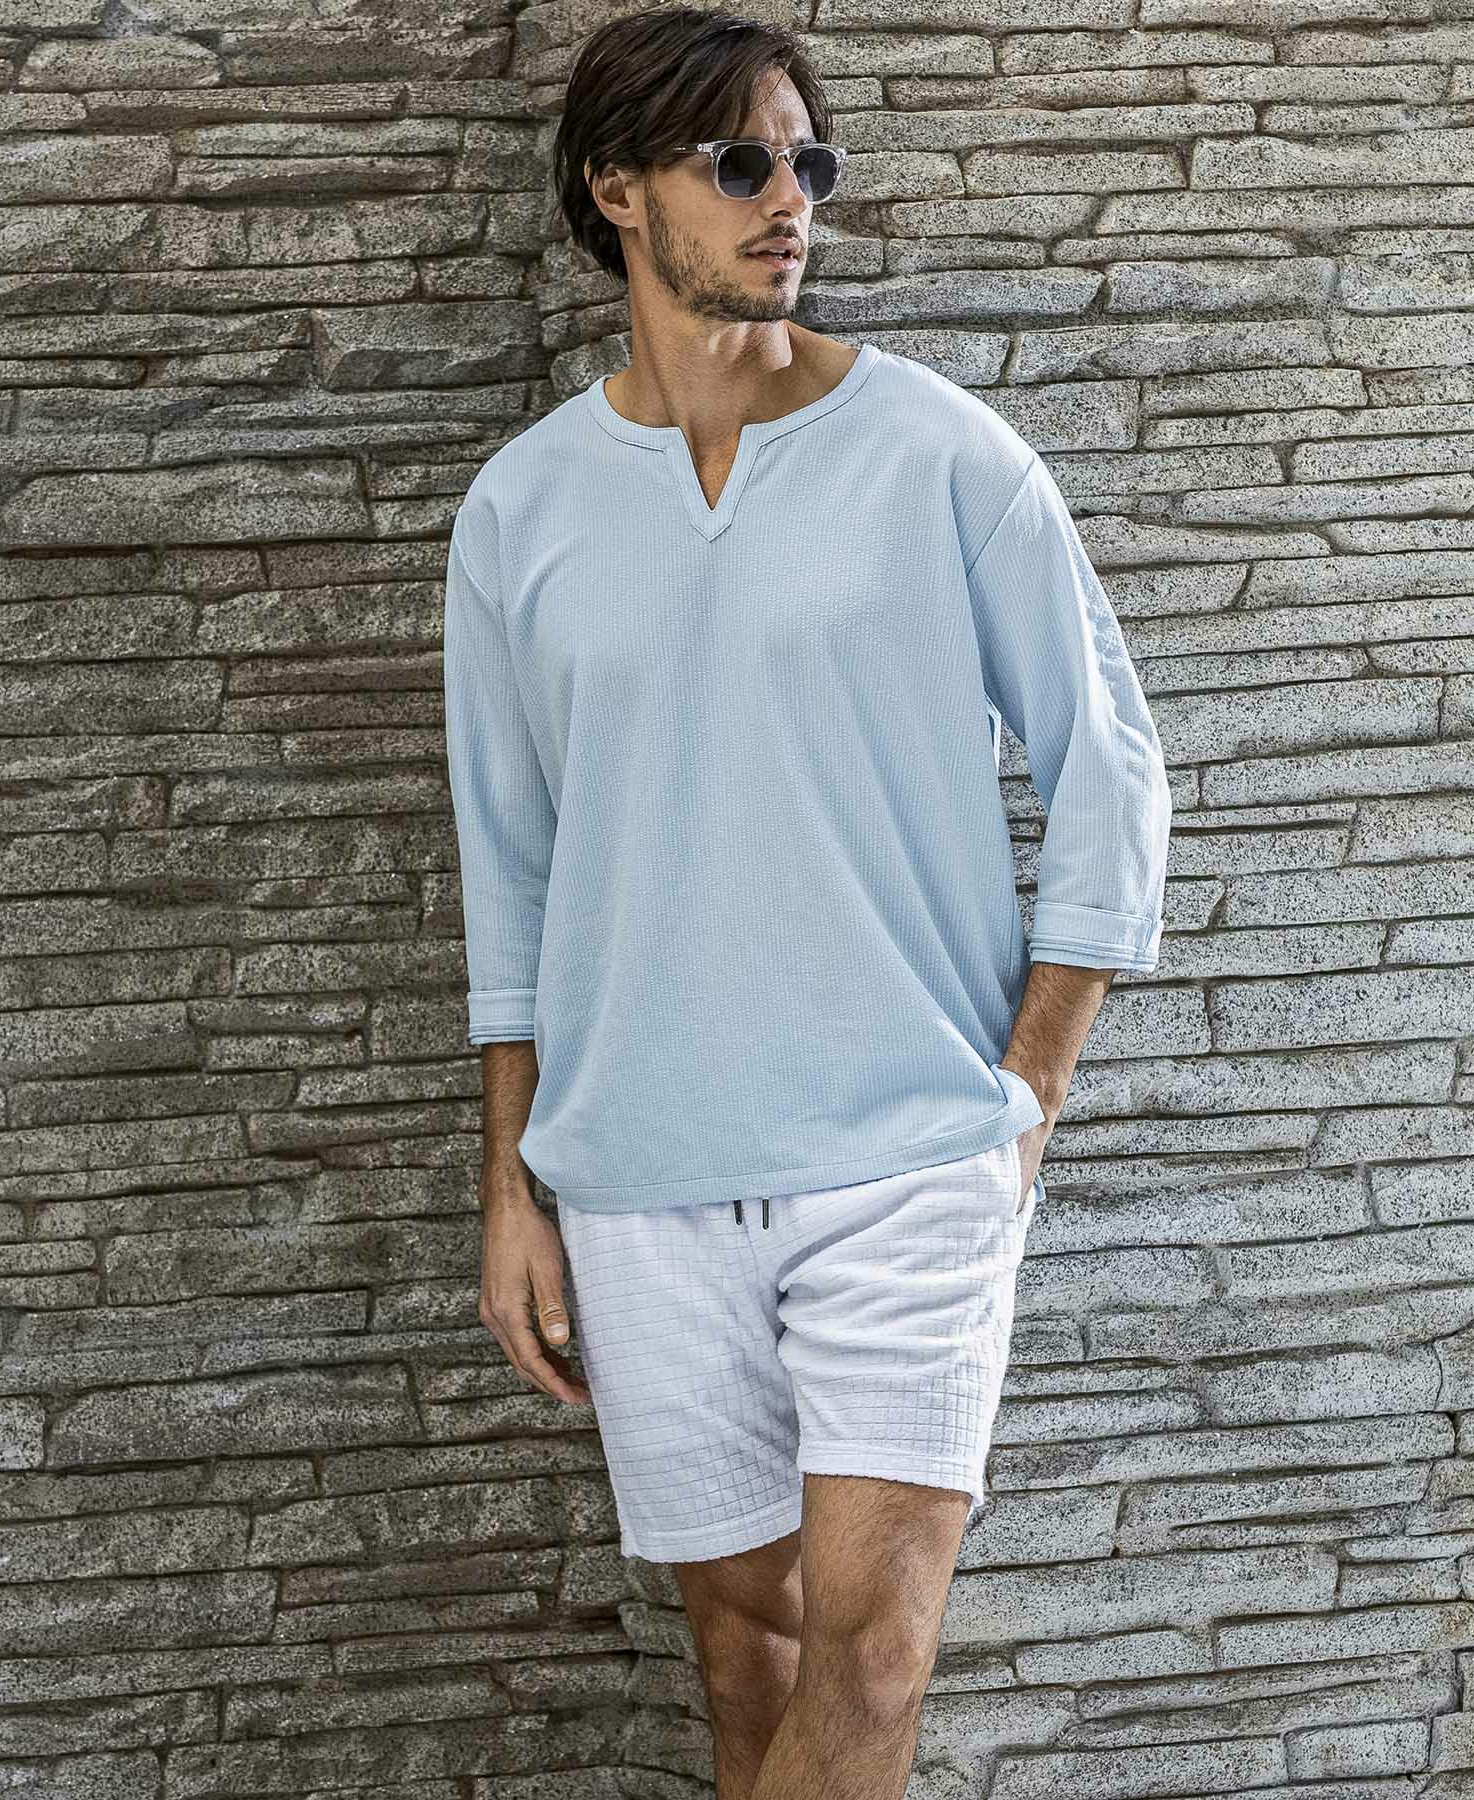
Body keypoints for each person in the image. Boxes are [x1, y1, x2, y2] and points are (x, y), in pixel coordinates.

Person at [441, 9, 1172, 1796]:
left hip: (910, 1154)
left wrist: (1028, 1091)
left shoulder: (940, 456)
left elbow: (1113, 772)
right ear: (619, 191)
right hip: (642, 1173)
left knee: (876, 1650)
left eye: (807, 162)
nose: (791, 200)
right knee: (747, 1652)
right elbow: (513, 868)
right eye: (741, 163)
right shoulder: (521, 512)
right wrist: (512, 1183)